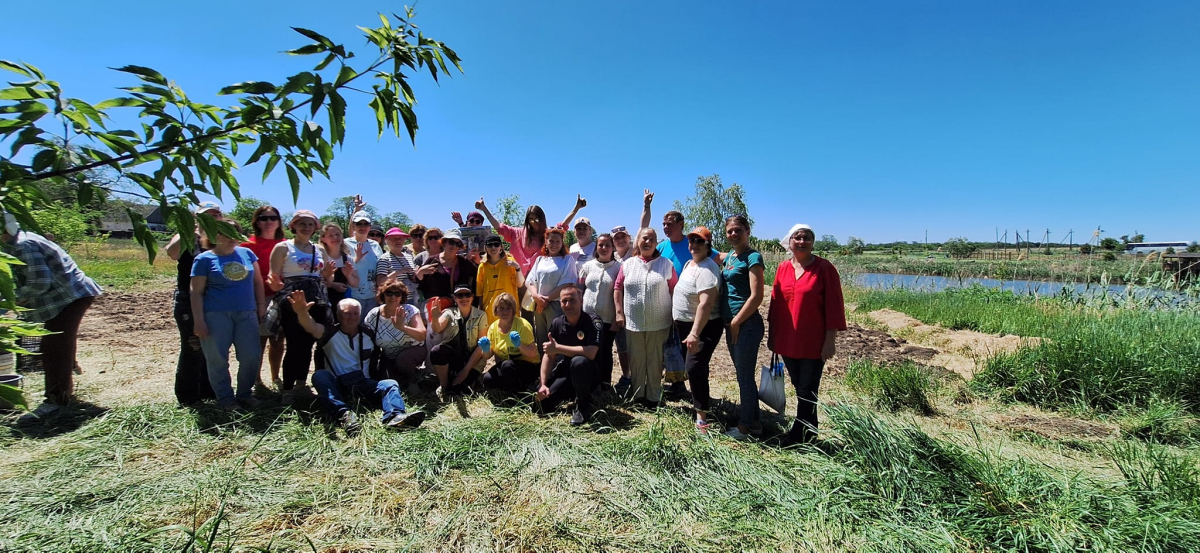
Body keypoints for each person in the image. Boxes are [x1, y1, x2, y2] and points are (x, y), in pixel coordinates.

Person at [287, 292, 425, 435]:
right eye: (347, 313)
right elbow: (311, 326)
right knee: (319, 376)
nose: (351, 317)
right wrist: (302, 313)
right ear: (339, 315)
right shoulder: (329, 333)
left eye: (355, 314)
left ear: (360, 315)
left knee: (390, 384)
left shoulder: (368, 334)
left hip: (362, 383)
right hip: (338, 383)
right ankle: (345, 416)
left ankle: (395, 417)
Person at [3, 222, 102, 419]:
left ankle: (57, 399)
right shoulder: (19, 240)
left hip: (68, 297)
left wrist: (11, 299)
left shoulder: (23, 244)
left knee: (54, 346)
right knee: (59, 341)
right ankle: (68, 370)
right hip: (66, 296)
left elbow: (39, 282)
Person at [768, 224, 847, 446]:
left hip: (813, 341)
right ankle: (809, 433)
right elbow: (775, 303)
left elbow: (834, 306)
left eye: (807, 238)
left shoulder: (824, 269)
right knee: (799, 386)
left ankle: (798, 436)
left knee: (808, 388)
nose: (802, 242)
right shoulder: (783, 268)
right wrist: (773, 337)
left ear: (812, 242)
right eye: (798, 237)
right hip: (787, 339)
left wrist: (830, 341)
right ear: (790, 242)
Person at [191, 220, 265, 410]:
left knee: (251, 356)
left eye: (236, 232)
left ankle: (245, 394)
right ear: (215, 235)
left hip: (247, 313)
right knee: (217, 359)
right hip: (215, 315)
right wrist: (199, 321)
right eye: (226, 233)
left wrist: (260, 305)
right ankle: (226, 399)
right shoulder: (204, 260)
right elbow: (196, 292)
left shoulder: (247, 253)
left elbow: (258, 282)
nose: (233, 237)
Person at [267, 209, 335, 405]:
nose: (306, 227)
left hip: (317, 299)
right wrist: (276, 286)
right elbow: (274, 279)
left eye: (310, 224)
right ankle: (287, 389)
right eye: (302, 223)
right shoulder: (283, 248)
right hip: (293, 300)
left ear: (315, 227)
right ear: (293, 226)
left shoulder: (319, 249)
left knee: (310, 342)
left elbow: (327, 279)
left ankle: (301, 384)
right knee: (294, 344)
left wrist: (329, 274)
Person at [612, 227, 677, 409]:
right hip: (633, 322)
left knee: (655, 361)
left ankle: (654, 398)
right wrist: (619, 312)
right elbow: (618, 288)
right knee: (637, 360)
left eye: (651, 239)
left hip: (660, 322)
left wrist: (675, 315)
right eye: (644, 239)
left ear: (656, 243)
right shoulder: (628, 264)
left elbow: (674, 290)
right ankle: (638, 396)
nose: (647, 242)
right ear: (637, 242)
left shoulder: (666, 264)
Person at [671, 227, 723, 432]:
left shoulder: (708, 269)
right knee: (695, 368)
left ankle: (702, 418)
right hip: (686, 326)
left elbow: (706, 304)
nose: (693, 245)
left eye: (699, 242)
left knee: (694, 368)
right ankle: (699, 405)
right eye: (691, 241)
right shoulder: (689, 264)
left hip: (703, 327)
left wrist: (694, 333)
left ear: (708, 245)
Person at [168, 201, 220, 405]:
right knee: (193, 347)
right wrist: (189, 229)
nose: (212, 218)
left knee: (211, 347)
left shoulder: (219, 239)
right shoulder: (189, 236)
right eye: (207, 215)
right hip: (188, 300)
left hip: (214, 301)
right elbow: (172, 253)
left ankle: (208, 390)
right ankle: (187, 396)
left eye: (216, 215)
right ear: (197, 218)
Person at [720, 214, 766, 440]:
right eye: (730, 231)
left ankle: (744, 428)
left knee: (744, 377)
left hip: (746, 325)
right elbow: (708, 253)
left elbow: (757, 296)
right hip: (733, 325)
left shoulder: (753, 257)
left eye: (738, 230)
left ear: (748, 231)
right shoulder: (730, 256)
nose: (733, 234)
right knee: (742, 374)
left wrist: (737, 321)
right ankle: (755, 423)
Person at [536, 286, 601, 426]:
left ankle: (583, 406)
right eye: (564, 301)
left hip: (588, 372)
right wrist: (543, 384)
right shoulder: (557, 323)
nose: (568, 305)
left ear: (581, 301)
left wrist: (558, 348)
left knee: (578, 362)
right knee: (541, 405)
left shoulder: (593, 321)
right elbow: (549, 355)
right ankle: (570, 393)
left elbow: (591, 352)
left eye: (572, 300)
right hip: (567, 372)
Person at [475, 195, 586, 275]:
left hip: (538, 278)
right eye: (531, 219)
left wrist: (576, 208)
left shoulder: (548, 235)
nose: (534, 222)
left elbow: (563, 225)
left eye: (537, 219)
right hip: (516, 276)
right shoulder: (517, 233)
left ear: (542, 218)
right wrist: (484, 209)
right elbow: (499, 227)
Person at [240, 205, 286, 387]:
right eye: (263, 218)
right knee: (258, 341)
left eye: (273, 218)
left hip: (281, 298)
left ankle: (276, 378)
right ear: (256, 222)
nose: (268, 222)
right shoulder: (247, 246)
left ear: (278, 221)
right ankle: (256, 379)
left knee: (277, 341)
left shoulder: (285, 245)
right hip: (257, 299)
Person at [429, 284, 489, 401]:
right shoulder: (449, 312)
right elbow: (437, 328)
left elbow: (481, 347)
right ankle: (443, 385)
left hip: (473, 359)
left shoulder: (481, 315)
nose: (464, 298)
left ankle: (472, 379)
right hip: (454, 356)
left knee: (459, 391)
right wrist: (435, 317)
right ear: (455, 298)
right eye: (459, 295)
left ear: (472, 297)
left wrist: (466, 371)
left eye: (467, 294)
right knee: (437, 351)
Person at [363, 279, 426, 386]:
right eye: (389, 293)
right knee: (388, 381)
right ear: (383, 295)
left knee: (403, 360)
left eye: (397, 294)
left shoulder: (410, 310)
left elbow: (421, 335)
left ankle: (413, 379)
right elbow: (367, 339)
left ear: (402, 296)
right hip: (389, 355)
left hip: (413, 350)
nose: (393, 297)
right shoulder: (374, 315)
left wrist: (402, 327)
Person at [577, 233, 620, 388]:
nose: (604, 248)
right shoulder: (587, 267)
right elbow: (579, 291)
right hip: (587, 319)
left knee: (605, 352)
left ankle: (605, 384)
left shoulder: (618, 268)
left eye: (607, 245)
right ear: (596, 247)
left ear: (613, 247)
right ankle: (589, 382)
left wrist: (617, 318)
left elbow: (621, 294)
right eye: (600, 245)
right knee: (587, 351)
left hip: (608, 320)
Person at [476, 293, 540, 394]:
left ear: (513, 310)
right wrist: (485, 349)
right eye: (501, 308)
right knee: (488, 380)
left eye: (508, 308)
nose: (504, 311)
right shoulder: (493, 328)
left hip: (530, 366)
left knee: (507, 365)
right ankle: (510, 385)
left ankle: (516, 394)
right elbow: (488, 356)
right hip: (508, 366)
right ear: (496, 310)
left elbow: (533, 353)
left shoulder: (523, 325)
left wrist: (519, 345)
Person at [524, 226, 578, 346]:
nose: (554, 244)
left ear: (562, 243)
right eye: (551, 241)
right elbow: (529, 281)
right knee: (541, 338)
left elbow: (567, 283)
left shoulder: (567, 260)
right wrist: (536, 297)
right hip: (538, 305)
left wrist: (546, 300)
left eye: (557, 241)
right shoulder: (540, 260)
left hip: (556, 305)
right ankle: (542, 364)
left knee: (556, 338)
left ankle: (556, 364)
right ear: (546, 242)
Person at [415, 228, 478, 307]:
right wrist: (420, 272)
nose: (454, 246)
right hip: (437, 309)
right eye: (451, 242)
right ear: (444, 243)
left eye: (457, 244)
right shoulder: (433, 260)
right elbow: (420, 284)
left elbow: (478, 278)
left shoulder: (464, 263)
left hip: (459, 309)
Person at [476, 233, 524, 326]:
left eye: (496, 244)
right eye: (490, 245)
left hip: (509, 308)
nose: (493, 247)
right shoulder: (482, 266)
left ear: (501, 247)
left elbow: (519, 284)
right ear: (485, 248)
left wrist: (517, 268)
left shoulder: (510, 261)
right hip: (490, 311)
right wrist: (480, 310)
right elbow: (480, 291)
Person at [345, 210, 384, 316]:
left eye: (366, 224)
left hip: (372, 295)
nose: (362, 227)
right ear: (353, 226)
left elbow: (380, 267)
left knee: (369, 328)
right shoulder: (345, 243)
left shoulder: (375, 245)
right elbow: (343, 268)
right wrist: (356, 259)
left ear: (370, 226)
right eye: (359, 224)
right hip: (352, 294)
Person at [317, 223, 360, 307]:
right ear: (323, 239)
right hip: (322, 301)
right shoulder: (319, 257)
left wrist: (348, 275)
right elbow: (315, 282)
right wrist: (333, 285)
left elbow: (355, 284)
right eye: (330, 235)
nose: (335, 238)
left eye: (337, 234)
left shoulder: (347, 259)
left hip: (342, 303)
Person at [375, 228, 418, 307]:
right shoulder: (384, 258)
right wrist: (398, 272)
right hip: (393, 300)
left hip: (410, 298)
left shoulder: (409, 257)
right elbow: (380, 282)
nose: (397, 241)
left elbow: (414, 277)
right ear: (386, 241)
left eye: (400, 238)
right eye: (394, 239)